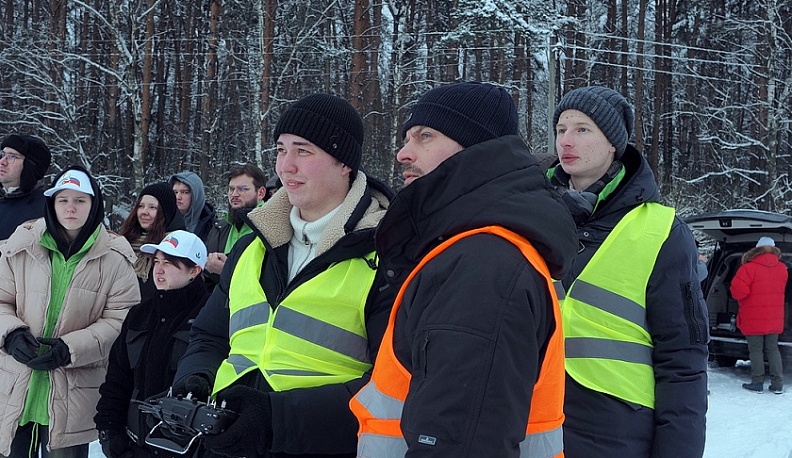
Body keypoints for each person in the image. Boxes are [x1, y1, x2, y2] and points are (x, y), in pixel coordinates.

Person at [349, 81, 578, 456]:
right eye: (407, 137)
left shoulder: (483, 265)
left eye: (425, 136)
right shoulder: (467, 250)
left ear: (478, 151)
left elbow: (460, 443)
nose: (403, 153)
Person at [170, 93, 394, 458]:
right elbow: (209, 335)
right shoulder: (251, 247)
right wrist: (196, 379)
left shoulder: (384, 254)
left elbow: (390, 385)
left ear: (344, 165)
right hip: (226, 443)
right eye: (280, 149)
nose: (285, 166)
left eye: (303, 151)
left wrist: (277, 420)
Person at [548, 86, 709, 457]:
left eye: (583, 129)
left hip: (615, 432)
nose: (567, 140)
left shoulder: (662, 230)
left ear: (613, 145)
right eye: (561, 129)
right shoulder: (532, 216)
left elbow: (683, 361)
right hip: (531, 418)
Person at [0, 166, 140, 458]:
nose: (71, 208)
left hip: (72, 392)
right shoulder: (21, 245)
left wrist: (70, 348)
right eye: (63, 200)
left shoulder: (115, 257)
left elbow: (122, 320)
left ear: (94, 204)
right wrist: (11, 334)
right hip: (14, 387)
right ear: (51, 203)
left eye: (80, 200)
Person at [94, 230, 210, 458]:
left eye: (169, 263)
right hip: (135, 443)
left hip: (187, 447)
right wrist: (109, 429)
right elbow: (117, 379)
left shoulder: (209, 318)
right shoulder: (139, 314)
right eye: (156, 261)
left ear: (194, 271)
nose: (159, 269)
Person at [730, 236, 787, 394]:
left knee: (756, 350)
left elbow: (738, 292)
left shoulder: (748, 268)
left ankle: (757, 382)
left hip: (753, 317)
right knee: (772, 349)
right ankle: (777, 384)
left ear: (756, 250)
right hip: (774, 316)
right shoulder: (782, 268)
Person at [202, 163, 267, 280]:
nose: (234, 194)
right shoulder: (219, 228)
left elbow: (270, 279)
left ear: (261, 193)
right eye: (231, 189)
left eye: (243, 189)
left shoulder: (271, 228)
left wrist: (227, 271)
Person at [118, 182, 186, 285]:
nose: (144, 212)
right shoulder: (124, 241)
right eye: (141, 206)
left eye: (152, 207)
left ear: (165, 213)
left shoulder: (176, 247)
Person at [0, 134, 52, 241]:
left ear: (30, 165)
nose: (2, 162)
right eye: (3, 154)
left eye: (12, 156)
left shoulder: (47, 208)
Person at [170, 171, 225, 243]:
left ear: (196, 195)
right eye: (175, 192)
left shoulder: (214, 229)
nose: (178, 197)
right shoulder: (164, 223)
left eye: (185, 192)